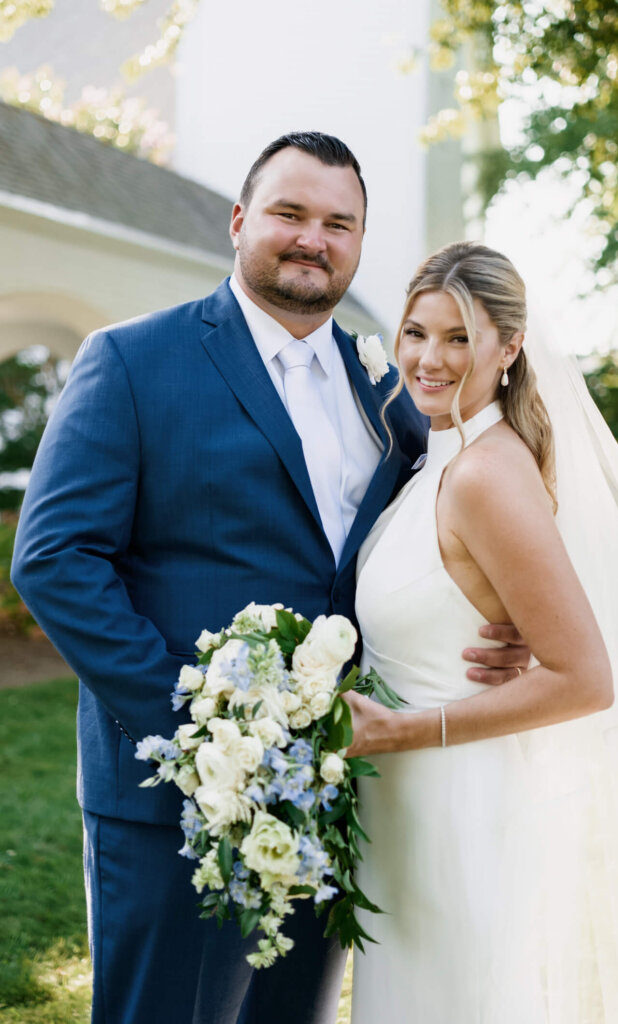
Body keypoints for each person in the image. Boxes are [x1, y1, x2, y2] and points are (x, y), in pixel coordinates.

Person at [10, 137, 526, 1024]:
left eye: (339, 223)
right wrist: (195, 727)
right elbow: (55, 558)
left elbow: (427, 534)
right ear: (241, 220)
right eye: (290, 213)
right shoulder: (131, 361)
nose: (312, 239)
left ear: (360, 242)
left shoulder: (389, 389)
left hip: (330, 796)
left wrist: (496, 613)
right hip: (178, 794)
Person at [346, 241, 618, 1023]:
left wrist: (403, 730)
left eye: (459, 337)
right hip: (406, 811)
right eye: (416, 332)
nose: (429, 358)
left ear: (510, 346)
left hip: (462, 812)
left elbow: (584, 677)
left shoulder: (484, 473)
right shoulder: (439, 458)